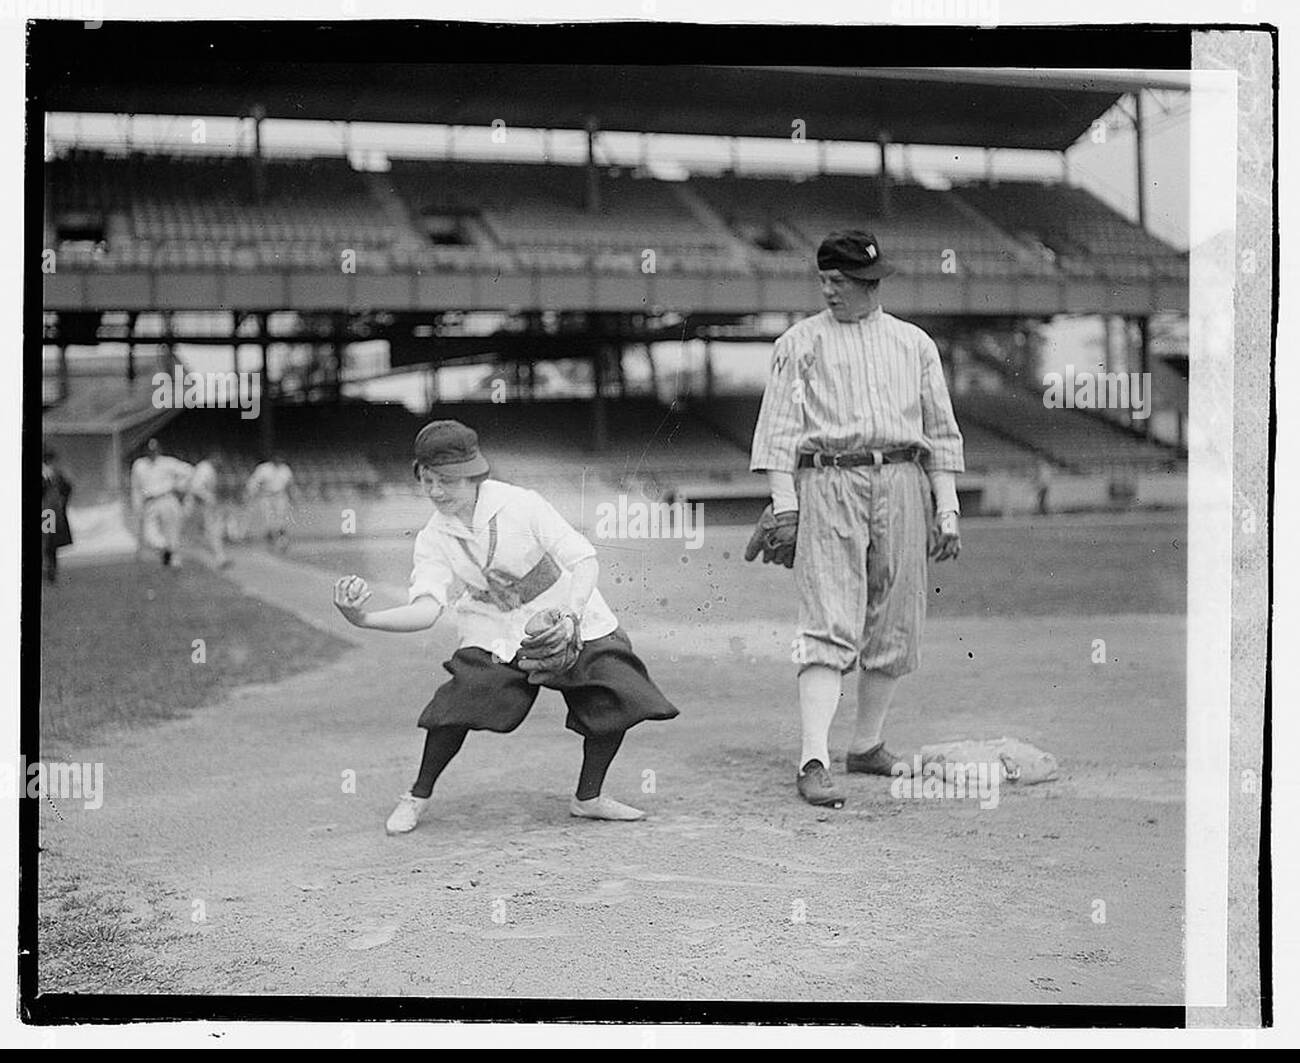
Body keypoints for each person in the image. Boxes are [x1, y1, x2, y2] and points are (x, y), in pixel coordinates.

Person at [332, 420, 678, 835]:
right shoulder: (434, 537)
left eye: (448, 480)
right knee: (458, 703)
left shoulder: (521, 504)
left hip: (563, 613)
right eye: (428, 480)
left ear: (476, 475)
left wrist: (572, 614)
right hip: (493, 625)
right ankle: (416, 796)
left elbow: (583, 558)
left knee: (617, 691)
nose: (437, 492)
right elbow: (426, 609)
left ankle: (588, 798)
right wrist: (364, 618)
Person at [749, 230, 965, 809]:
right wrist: (786, 506)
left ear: (871, 284)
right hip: (828, 480)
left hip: (901, 479)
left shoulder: (914, 344)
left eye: (840, 281)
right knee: (828, 618)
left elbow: (940, 435)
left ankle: (866, 744)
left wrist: (947, 506)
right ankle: (813, 758)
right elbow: (777, 436)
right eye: (824, 279)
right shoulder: (800, 343)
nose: (829, 290)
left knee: (897, 619)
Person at [130, 437, 193, 568]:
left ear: (159, 450)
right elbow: (135, 488)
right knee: (150, 535)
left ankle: (174, 562)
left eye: (154, 450)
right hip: (150, 502)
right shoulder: (139, 465)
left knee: (172, 532)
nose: (152, 453)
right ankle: (166, 549)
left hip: (167, 499)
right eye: (149, 450)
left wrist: (179, 486)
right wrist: (137, 506)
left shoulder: (167, 462)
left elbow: (189, 471)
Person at [185, 451, 233, 568]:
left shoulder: (209, 469)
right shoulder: (205, 469)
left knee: (210, 533)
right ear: (213, 458)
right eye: (218, 459)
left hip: (200, 506)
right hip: (196, 505)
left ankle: (220, 559)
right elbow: (196, 489)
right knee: (191, 534)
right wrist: (209, 499)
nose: (220, 462)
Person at [245, 453, 295, 551]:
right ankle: (273, 542)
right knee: (269, 520)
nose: (279, 461)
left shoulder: (285, 469)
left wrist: (293, 497)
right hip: (266, 496)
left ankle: (282, 542)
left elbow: (290, 484)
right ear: (272, 459)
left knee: (281, 519)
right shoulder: (263, 468)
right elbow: (253, 482)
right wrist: (250, 494)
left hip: (280, 496)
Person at [41, 447, 74, 584]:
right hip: (44, 512)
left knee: (50, 544)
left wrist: (62, 503)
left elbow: (68, 488)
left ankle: (51, 572)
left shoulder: (56, 475)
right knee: (45, 543)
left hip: (49, 514)